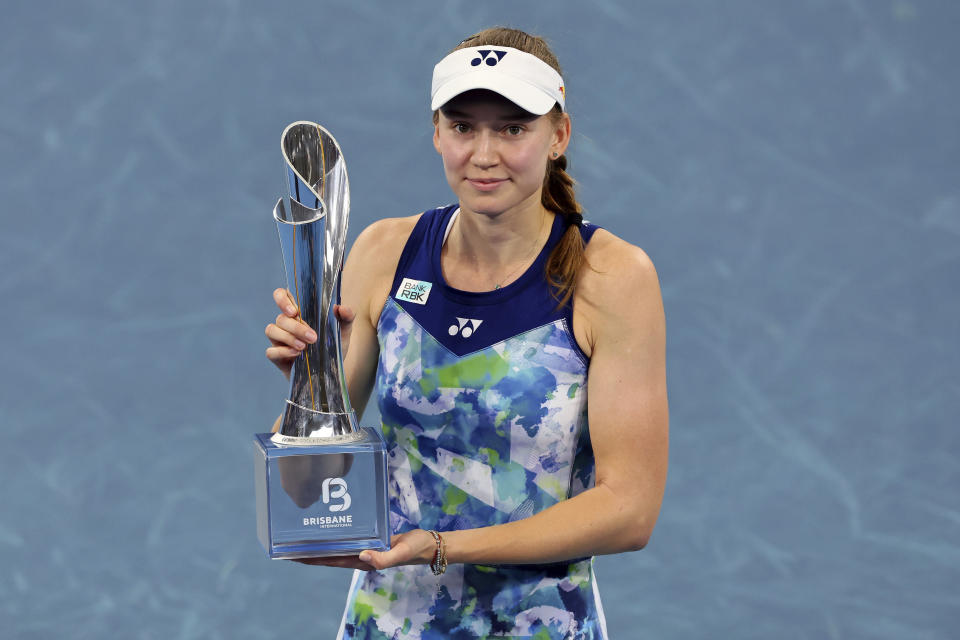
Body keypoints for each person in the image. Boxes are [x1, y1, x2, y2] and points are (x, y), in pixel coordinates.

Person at [264, 27, 668, 640]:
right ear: (436, 134)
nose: (484, 154)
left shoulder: (610, 277)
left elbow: (630, 511)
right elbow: (303, 492)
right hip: (388, 625)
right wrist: (309, 393)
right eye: (462, 127)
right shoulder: (384, 254)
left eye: (512, 128)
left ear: (557, 136)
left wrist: (438, 545)